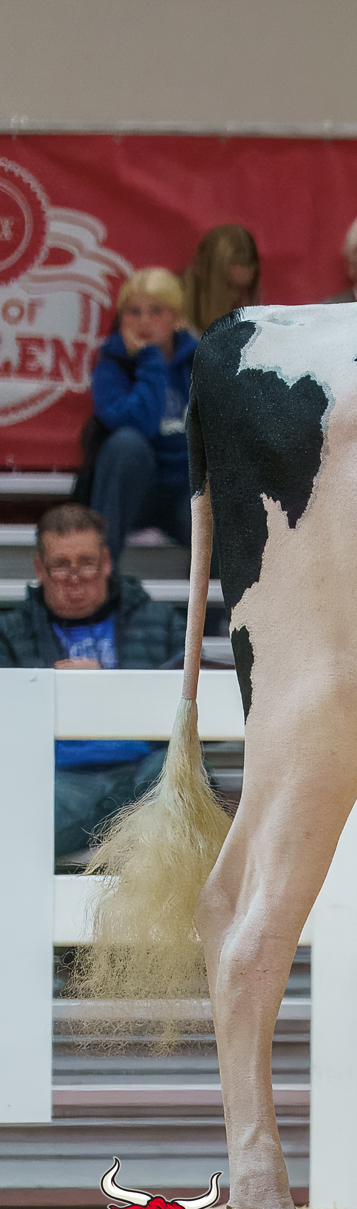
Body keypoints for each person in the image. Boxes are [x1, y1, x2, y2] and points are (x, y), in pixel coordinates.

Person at [0, 506, 185, 857]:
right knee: (22, 809)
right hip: (58, 777)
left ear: (106, 562)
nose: (75, 577)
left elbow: (201, 713)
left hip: (144, 770)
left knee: (181, 774)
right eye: (60, 565)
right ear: (39, 569)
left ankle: (109, 829)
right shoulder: (9, 633)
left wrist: (105, 686)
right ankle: (117, 829)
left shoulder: (161, 621)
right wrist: (56, 693)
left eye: (86, 563)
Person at [88, 268, 198, 561]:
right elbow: (140, 423)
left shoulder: (202, 363)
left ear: (177, 318)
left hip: (185, 495)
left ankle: (216, 594)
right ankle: (102, 575)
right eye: (133, 312)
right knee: (127, 444)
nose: (144, 321)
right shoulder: (111, 365)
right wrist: (150, 360)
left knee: (221, 515)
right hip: (133, 496)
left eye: (156, 311)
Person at [183, 223, 262, 334]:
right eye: (228, 286)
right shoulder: (170, 329)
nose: (236, 298)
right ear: (203, 275)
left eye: (244, 290)